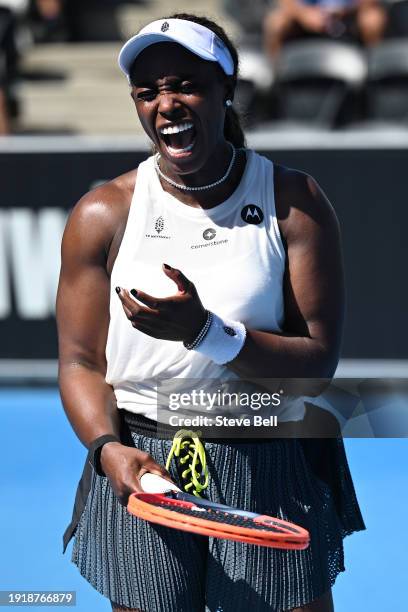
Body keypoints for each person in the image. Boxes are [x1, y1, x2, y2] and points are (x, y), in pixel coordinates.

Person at [58, 12, 365, 612]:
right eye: (147, 93)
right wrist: (106, 449)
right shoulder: (102, 213)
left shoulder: (293, 202)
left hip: (269, 451)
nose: (165, 104)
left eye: (185, 85)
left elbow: (316, 367)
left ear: (228, 89)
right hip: (143, 460)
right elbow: (78, 361)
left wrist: (205, 332)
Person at [263, 0, 388, 57]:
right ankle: (274, 80)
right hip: (306, 16)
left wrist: (345, 10)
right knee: (276, 23)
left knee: (373, 20)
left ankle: (373, 75)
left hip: (350, 14)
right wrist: (303, 15)